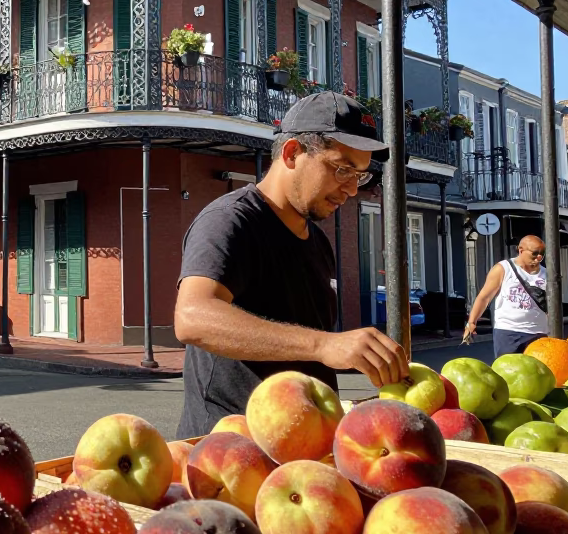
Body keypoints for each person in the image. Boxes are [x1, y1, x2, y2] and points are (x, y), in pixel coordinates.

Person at [174, 92, 409, 437]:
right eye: (342, 168)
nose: (351, 189)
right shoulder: (231, 221)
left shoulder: (318, 241)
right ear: (292, 153)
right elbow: (192, 318)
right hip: (233, 451)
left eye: (358, 175)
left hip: (301, 450)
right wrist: (324, 345)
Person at [464, 235, 549, 358]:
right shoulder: (503, 269)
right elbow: (484, 297)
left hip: (539, 332)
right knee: (508, 372)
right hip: (509, 332)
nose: (539, 257)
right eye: (535, 253)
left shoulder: (546, 274)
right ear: (521, 250)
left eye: (542, 253)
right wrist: (471, 322)